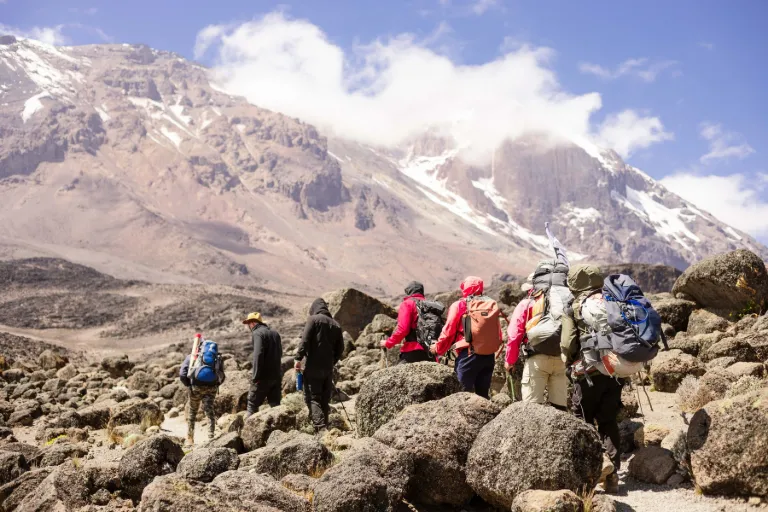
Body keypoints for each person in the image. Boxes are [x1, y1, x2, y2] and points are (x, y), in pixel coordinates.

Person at [561, 264, 623, 494]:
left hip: (585, 372)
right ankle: (613, 475)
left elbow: (568, 342)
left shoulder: (575, 307)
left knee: (583, 420)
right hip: (614, 370)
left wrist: (566, 362)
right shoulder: (613, 300)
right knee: (608, 421)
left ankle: (590, 473)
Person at [430, 276, 502, 398]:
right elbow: (498, 333)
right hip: (488, 355)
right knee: (483, 397)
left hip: (468, 355)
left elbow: (448, 331)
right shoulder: (490, 305)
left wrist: (437, 348)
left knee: (461, 396)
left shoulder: (459, 305)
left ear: (465, 288)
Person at [506, 272, 568, 411]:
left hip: (536, 359)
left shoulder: (527, 303)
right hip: (561, 358)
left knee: (531, 409)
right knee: (560, 408)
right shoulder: (562, 303)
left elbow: (514, 335)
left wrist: (510, 361)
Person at [295, 298, 344, 434]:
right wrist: (332, 362)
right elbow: (341, 349)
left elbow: (304, 341)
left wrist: (298, 358)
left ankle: (321, 429)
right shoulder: (336, 324)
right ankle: (325, 428)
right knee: (324, 398)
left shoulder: (313, 320)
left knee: (313, 397)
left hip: (312, 366)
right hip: (328, 368)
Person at [380, 281, 432, 364]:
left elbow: (403, 329)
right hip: (431, 351)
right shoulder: (430, 305)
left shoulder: (407, 304)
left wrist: (388, 343)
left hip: (413, 350)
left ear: (408, 292)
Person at [179, 345, 222, 446]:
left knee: (192, 412)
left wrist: (188, 384)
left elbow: (182, 374)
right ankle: (211, 437)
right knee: (209, 411)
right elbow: (221, 374)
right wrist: (215, 385)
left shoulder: (192, 357)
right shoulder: (216, 358)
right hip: (211, 387)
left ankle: (190, 439)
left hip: (196, 387)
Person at [242, 312, 283, 416]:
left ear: (252, 323)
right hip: (276, 376)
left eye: (248, 324)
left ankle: (248, 431)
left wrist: (255, 377)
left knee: (252, 404)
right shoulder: (275, 333)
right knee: (275, 406)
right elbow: (280, 353)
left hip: (263, 377)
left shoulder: (257, 333)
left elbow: (258, 355)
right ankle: (278, 430)